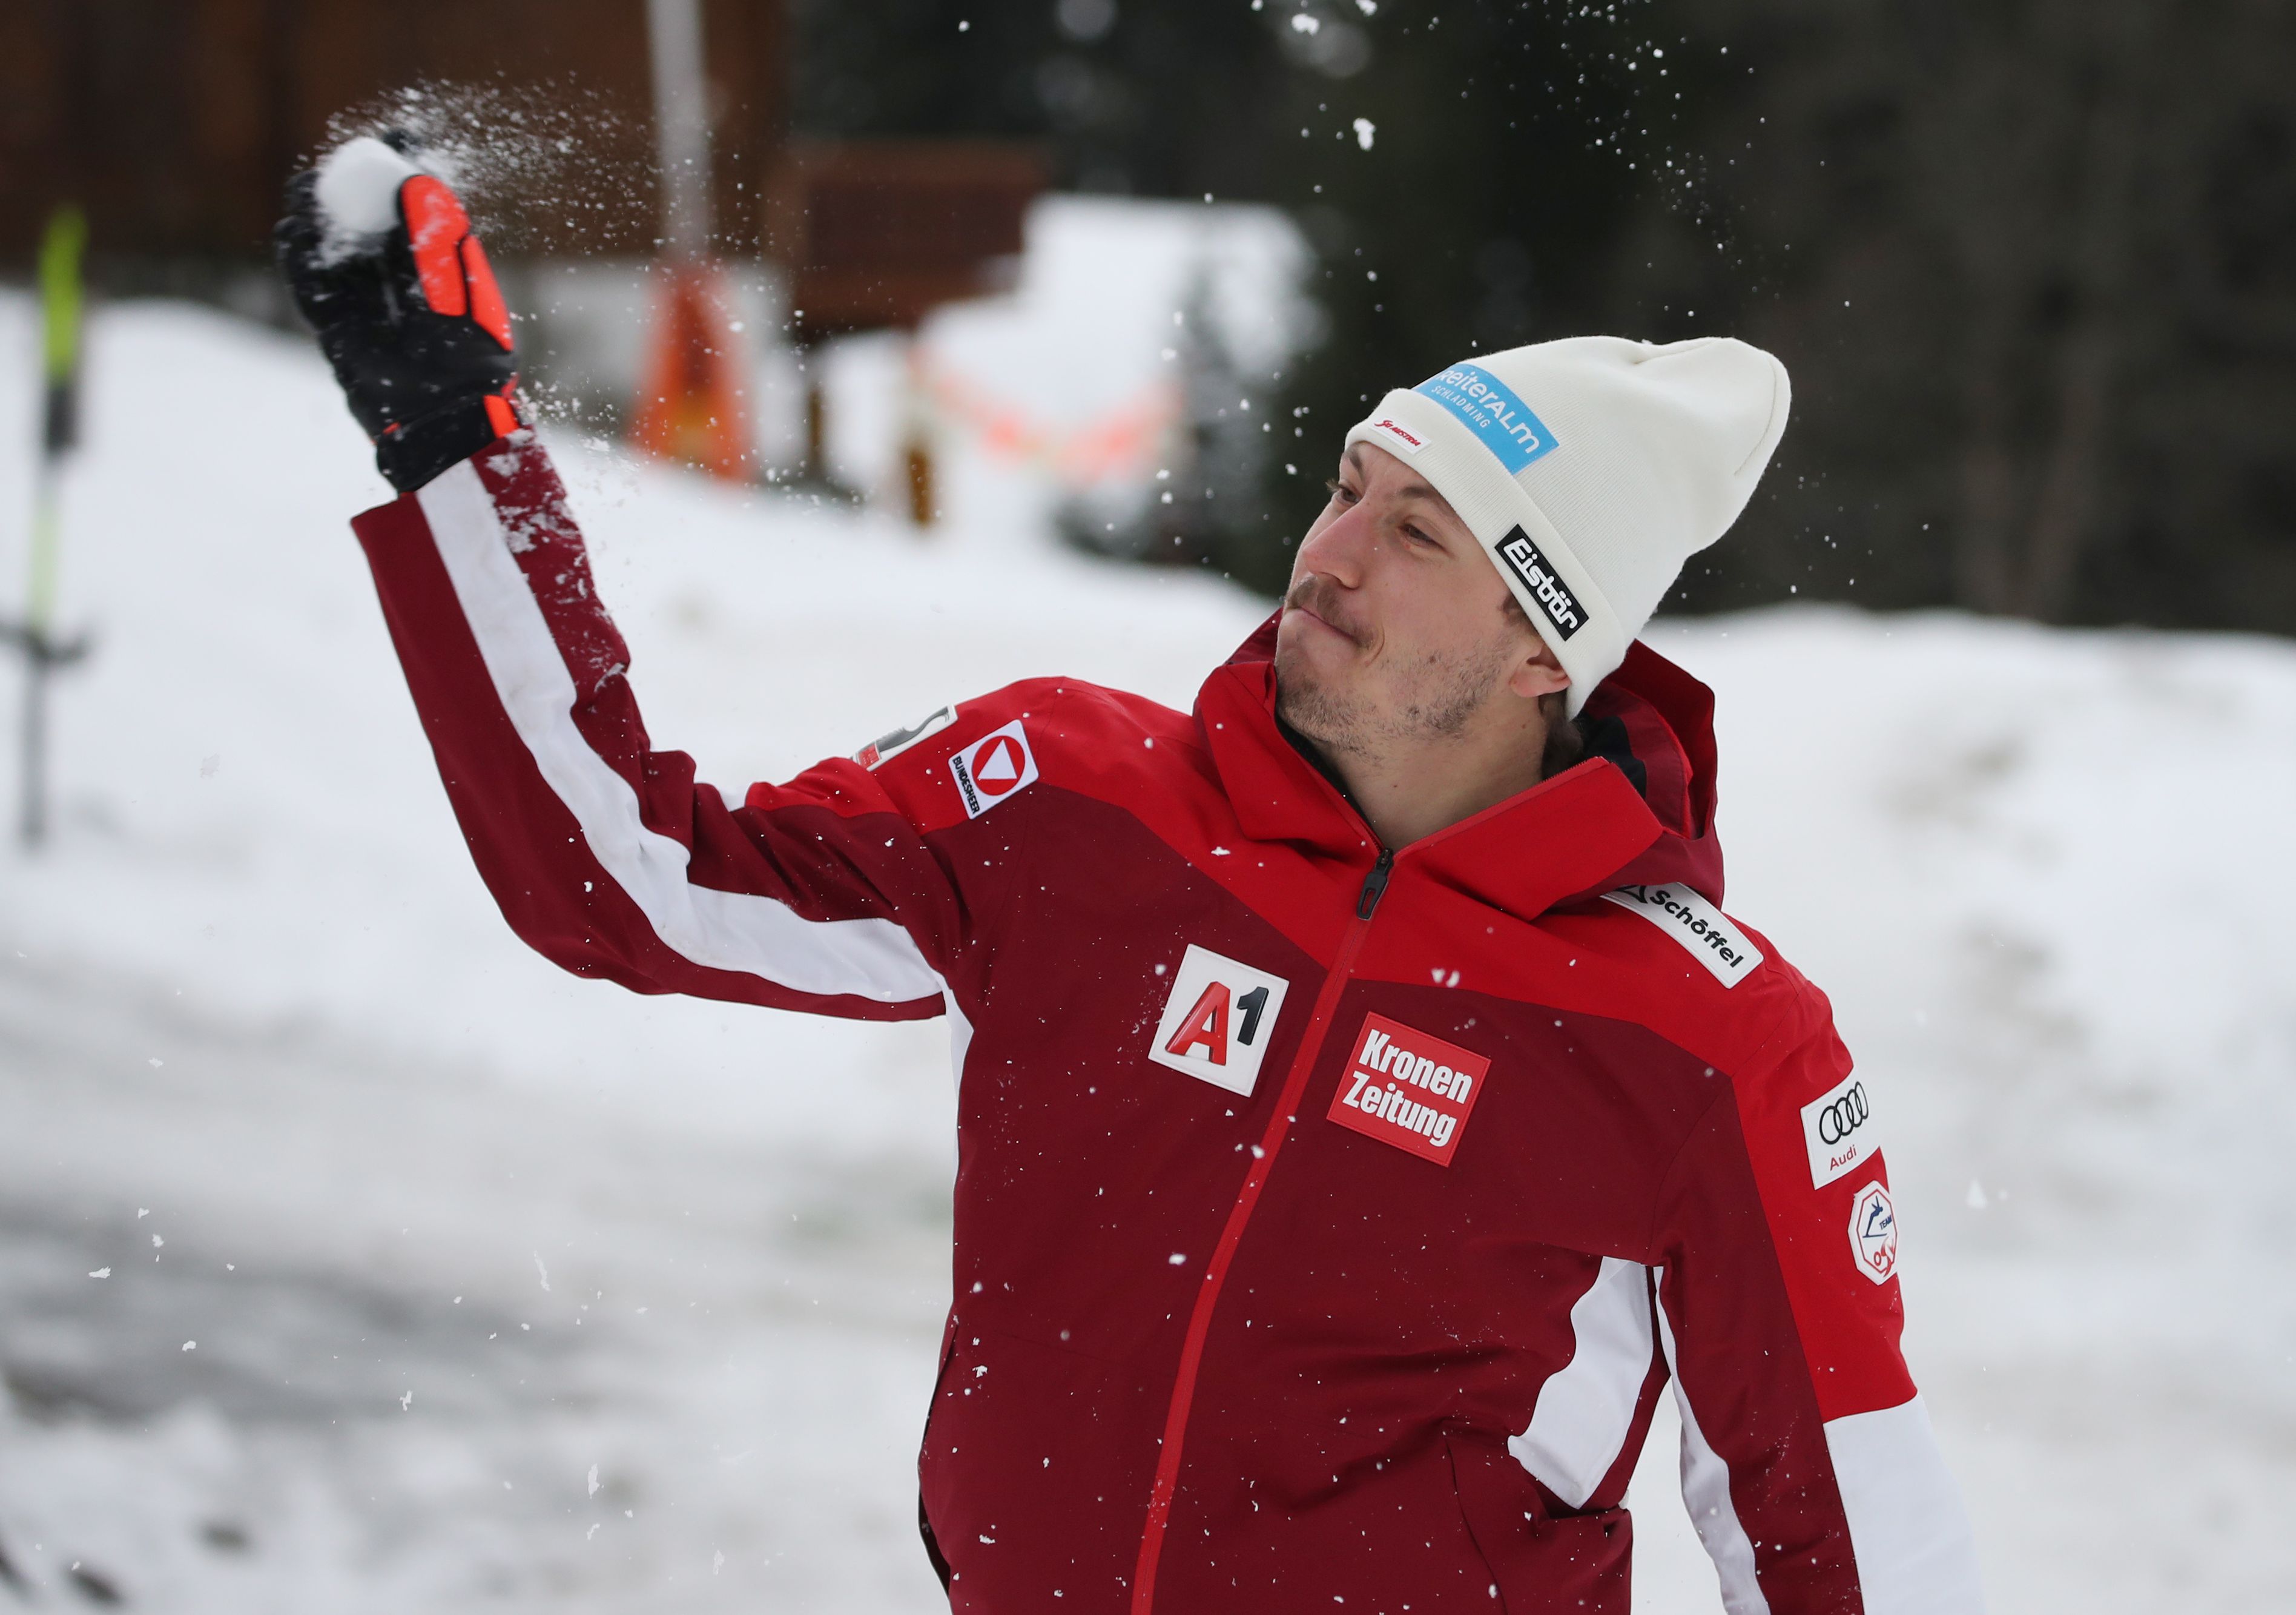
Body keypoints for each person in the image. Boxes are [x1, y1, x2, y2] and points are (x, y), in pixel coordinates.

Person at [277, 138, 1986, 1615]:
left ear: (1553, 648)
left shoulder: (1707, 1040)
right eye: (1345, 488)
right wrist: (451, 444)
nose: (1326, 557)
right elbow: (631, 875)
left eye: (1418, 533)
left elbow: (1852, 1548)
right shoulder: (1078, 811)